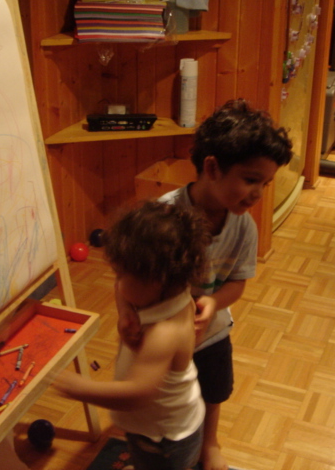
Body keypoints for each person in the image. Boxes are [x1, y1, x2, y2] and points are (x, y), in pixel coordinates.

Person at [159, 98, 294, 470]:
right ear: (212, 167)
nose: (258, 193)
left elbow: (237, 283)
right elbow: (133, 278)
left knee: (214, 389)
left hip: (212, 333)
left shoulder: (244, 227)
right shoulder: (164, 217)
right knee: (165, 393)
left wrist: (214, 302)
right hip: (164, 333)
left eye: (265, 183)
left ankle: (210, 443)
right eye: (250, 180)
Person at [54, 200, 211, 470]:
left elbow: (137, 394)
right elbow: (122, 290)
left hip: (164, 440)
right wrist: (126, 309)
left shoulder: (164, 333)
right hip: (151, 427)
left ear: (154, 280)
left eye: (120, 274)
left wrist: (79, 388)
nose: (116, 281)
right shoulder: (168, 293)